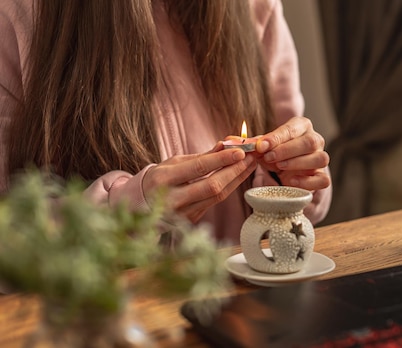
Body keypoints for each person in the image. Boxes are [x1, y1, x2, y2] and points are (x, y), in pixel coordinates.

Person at [0, 0, 332, 243]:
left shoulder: (255, 7)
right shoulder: (16, 15)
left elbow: (301, 202)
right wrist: (121, 214)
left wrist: (293, 179)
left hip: (242, 310)